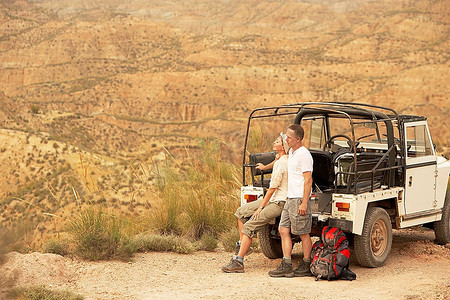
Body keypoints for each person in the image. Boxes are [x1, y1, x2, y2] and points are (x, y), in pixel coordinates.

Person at [222, 133, 289, 273]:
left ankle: (238, 261)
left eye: (277, 141)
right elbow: (275, 162)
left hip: (278, 201)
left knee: (249, 226)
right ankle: (243, 246)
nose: (274, 142)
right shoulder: (280, 158)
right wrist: (265, 167)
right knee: (240, 212)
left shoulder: (283, 163)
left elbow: (272, 189)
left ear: (283, 146)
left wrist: (260, 207)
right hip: (272, 198)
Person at [268, 124, 314, 278]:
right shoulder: (293, 152)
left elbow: (308, 180)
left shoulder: (303, 155)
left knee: (303, 233)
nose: (286, 139)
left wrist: (304, 203)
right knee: (283, 229)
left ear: (298, 139)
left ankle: (307, 263)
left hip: (299, 199)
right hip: (290, 198)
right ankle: (286, 264)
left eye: (288, 137)